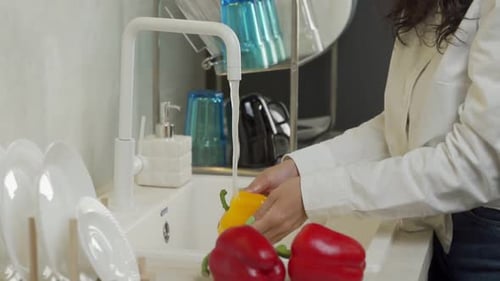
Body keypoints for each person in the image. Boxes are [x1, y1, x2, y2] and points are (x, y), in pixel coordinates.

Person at [245, 0, 500, 280]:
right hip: (439, 222)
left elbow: (473, 166)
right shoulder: (431, 5)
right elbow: (399, 126)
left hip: (488, 243)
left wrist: (313, 194)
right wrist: (301, 168)